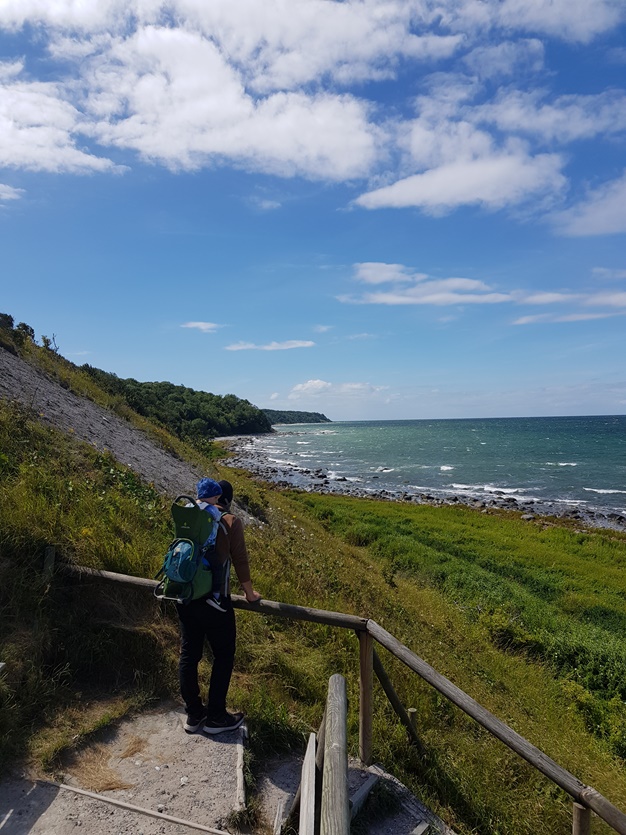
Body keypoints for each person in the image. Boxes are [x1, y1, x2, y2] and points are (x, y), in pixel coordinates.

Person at [177, 478, 262, 734]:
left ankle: (194, 715)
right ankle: (216, 717)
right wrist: (249, 593)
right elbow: (240, 560)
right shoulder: (229, 521)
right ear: (226, 500)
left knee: (189, 655)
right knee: (223, 656)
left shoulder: (190, 515)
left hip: (186, 594)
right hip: (215, 602)